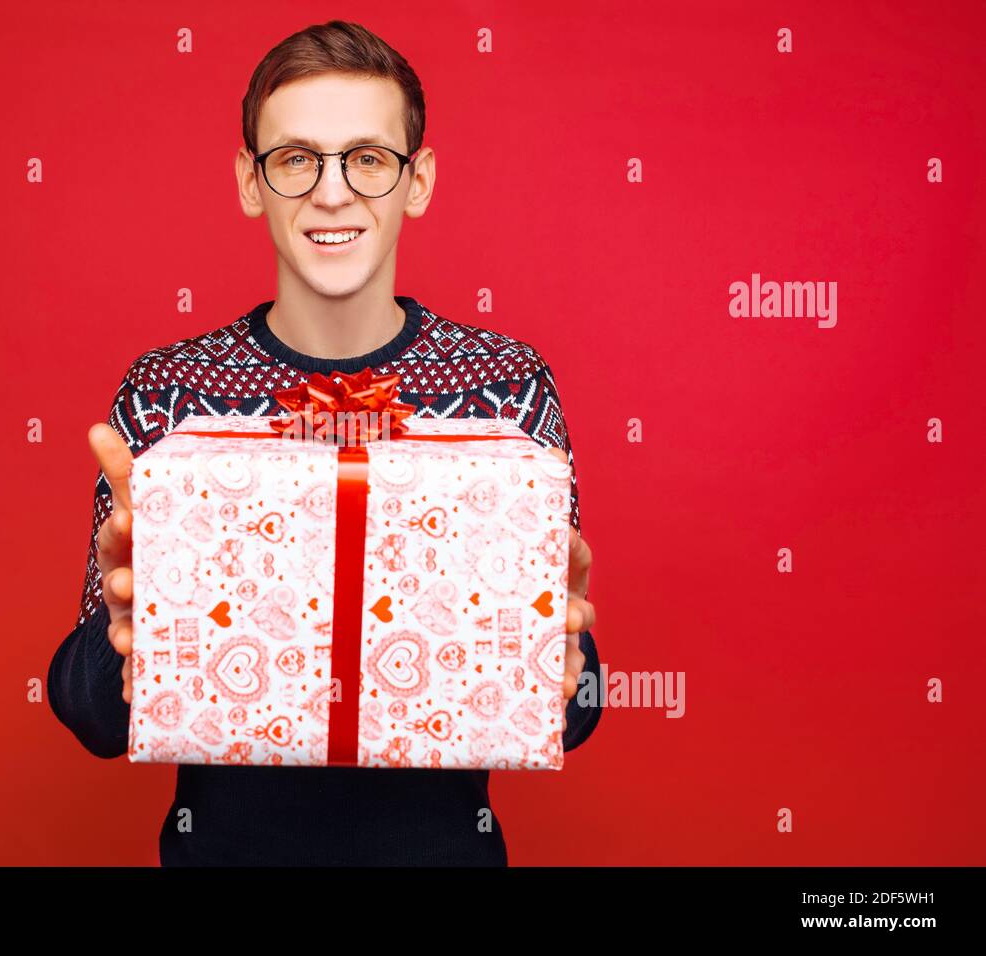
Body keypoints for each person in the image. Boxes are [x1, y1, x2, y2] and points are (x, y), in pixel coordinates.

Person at [47, 19, 601, 866]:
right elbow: (89, 716)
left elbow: (571, 710)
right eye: (296, 158)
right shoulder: (169, 395)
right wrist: (120, 636)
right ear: (249, 181)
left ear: (417, 182)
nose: (332, 193)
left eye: (369, 159)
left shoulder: (503, 387)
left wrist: (569, 657)